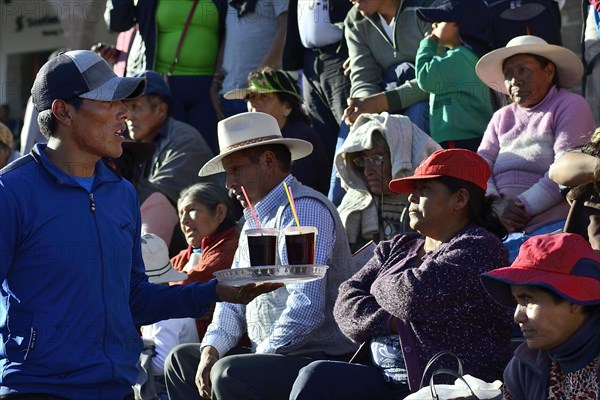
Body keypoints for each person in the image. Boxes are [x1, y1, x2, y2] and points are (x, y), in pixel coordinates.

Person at [0, 50, 280, 399]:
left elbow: (134, 298)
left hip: (118, 388)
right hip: (36, 390)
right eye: (109, 100)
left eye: (126, 101)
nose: (124, 112)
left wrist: (216, 292)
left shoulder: (122, 194)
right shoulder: (10, 192)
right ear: (63, 111)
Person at [289, 148, 513, 400]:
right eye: (412, 192)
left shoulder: (480, 247)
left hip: (441, 386)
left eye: (424, 191)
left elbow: (413, 295)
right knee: (317, 376)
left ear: (460, 199)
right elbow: (346, 302)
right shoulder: (398, 246)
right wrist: (394, 321)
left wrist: (379, 286)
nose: (410, 199)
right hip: (380, 376)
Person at [164, 112, 357, 400]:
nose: (229, 183)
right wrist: (210, 349)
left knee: (228, 371)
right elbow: (232, 301)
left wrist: (260, 354)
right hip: (274, 353)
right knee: (183, 361)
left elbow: (306, 307)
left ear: (268, 161)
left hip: (315, 357)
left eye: (236, 170)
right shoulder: (254, 219)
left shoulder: (302, 210)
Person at [475, 35, 596, 261]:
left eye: (523, 70)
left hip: (551, 229)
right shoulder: (502, 117)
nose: (515, 81)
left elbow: (566, 171)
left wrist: (520, 207)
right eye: (508, 74)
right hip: (499, 226)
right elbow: (480, 167)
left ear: (549, 72)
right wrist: (496, 206)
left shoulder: (569, 105)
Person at [480, 232, 600, 400]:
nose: (517, 317)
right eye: (516, 301)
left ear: (575, 300)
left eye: (527, 300)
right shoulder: (523, 368)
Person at [105, 0, 227, 154]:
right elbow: (117, 22)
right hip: (163, 88)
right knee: (164, 150)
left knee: (207, 153)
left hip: (207, 89)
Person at [123, 70, 215, 252]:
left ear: (161, 109)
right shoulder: (137, 142)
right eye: (127, 108)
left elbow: (157, 198)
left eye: (136, 107)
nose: (128, 117)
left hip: (196, 246)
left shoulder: (186, 140)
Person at [335, 112, 440, 252]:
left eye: (376, 159)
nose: (368, 171)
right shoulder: (353, 211)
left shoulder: (426, 205)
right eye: (363, 161)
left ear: (401, 156)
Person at [226, 67, 331, 195]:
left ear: (287, 107)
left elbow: (289, 193)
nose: (254, 103)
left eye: (264, 96)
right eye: (251, 97)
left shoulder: (302, 139)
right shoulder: (255, 141)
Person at [341, 0, 433, 131]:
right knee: (351, 123)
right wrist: (361, 107)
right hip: (388, 95)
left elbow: (437, 78)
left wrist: (381, 103)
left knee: (417, 114)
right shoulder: (355, 19)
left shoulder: (429, 6)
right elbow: (363, 79)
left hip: (434, 100)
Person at [415, 0, 494, 151]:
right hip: (475, 136)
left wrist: (427, 45)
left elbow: (425, 78)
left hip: (457, 139)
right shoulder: (474, 55)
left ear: (460, 23)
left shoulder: (458, 57)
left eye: (439, 20)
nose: (434, 25)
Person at [283, 0, 353, 160]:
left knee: (349, 126)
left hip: (339, 55)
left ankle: (358, 180)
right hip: (310, 61)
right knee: (322, 135)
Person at [170, 182, 241, 339]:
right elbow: (151, 285)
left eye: (191, 210)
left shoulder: (230, 246)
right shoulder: (182, 258)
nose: (184, 220)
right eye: (181, 214)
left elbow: (189, 284)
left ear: (220, 212)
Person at [135, 233, 200, 400]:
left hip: (166, 390)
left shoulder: (163, 314)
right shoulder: (169, 303)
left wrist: (134, 350)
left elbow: (163, 364)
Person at [212, 0, 289, 119]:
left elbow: (286, 26)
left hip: (261, 98)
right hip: (227, 94)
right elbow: (229, 35)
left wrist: (257, 79)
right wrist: (216, 81)